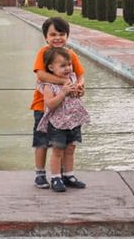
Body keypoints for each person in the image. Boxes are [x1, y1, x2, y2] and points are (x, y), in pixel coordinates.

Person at [30, 17, 85, 190]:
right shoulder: (44, 53)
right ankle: (40, 174)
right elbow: (42, 75)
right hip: (43, 105)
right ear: (46, 37)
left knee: (65, 144)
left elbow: (80, 74)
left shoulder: (70, 54)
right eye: (53, 34)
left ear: (67, 36)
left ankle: (63, 175)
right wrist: (65, 84)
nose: (57, 38)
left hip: (66, 109)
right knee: (42, 141)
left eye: (61, 34)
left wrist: (79, 85)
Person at [36, 46, 90, 193]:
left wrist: (79, 91)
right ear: (51, 67)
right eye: (63, 65)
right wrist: (63, 93)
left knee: (71, 148)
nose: (68, 68)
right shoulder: (49, 85)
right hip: (58, 123)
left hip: (73, 120)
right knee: (57, 150)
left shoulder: (72, 78)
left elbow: (77, 94)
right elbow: (50, 104)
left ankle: (68, 175)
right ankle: (55, 177)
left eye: (69, 64)